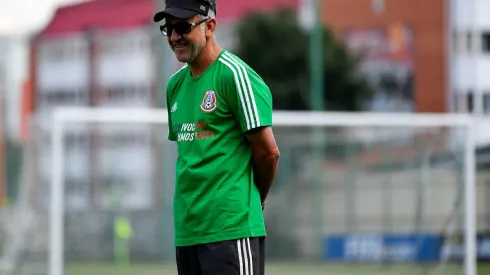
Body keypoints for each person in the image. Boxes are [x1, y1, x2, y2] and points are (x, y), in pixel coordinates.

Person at [153, 0, 280, 274]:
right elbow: (193, 157)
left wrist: (251, 202)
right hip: (188, 234)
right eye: (169, 29)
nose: (175, 37)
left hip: (230, 232)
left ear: (209, 26)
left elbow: (268, 153)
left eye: (183, 27)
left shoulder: (235, 76)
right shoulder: (174, 86)